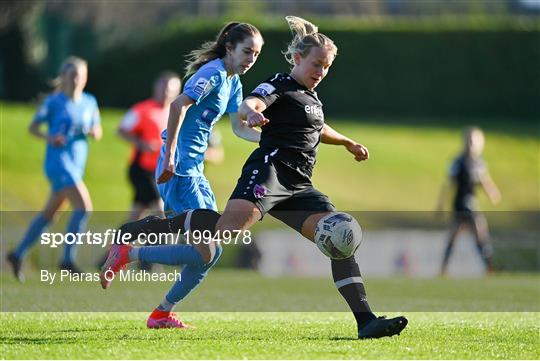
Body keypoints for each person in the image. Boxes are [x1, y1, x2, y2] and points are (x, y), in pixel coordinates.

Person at [100, 16, 407, 339]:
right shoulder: (278, 85)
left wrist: (346, 142)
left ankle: (366, 321)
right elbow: (252, 102)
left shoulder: (312, 99)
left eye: (327, 67)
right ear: (298, 59)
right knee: (222, 233)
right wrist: (251, 114)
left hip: (299, 186)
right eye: (316, 64)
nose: (321, 72)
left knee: (340, 240)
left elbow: (317, 129)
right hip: (269, 173)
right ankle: (141, 233)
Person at [101, 22, 264, 328]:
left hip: (195, 171)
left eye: (256, 54)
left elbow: (239, 128)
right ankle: (130, 249)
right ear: (230, 47)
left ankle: (162, 311)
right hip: (181, 168)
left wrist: (269, 138)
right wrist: (171, 154)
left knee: (210, 252)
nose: (250, 59)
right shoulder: (213, 72)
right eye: (247, 52)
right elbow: (178, 105)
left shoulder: (233, 82)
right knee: (207, 246)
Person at [7, 56, 102, 282]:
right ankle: (67, 260)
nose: (77, 79)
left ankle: (17, 254)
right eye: (73, 75)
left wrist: (92, 132)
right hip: (58, 163)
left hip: (76, 164)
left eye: (81, 75)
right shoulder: (54, 102)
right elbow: (32, 128)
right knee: (84, 207)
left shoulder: (90, 102)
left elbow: (97, 131)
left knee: (50, 214)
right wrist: (49, 137)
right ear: (65, 77)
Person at [436, 126, 501, 276]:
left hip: (471, 204)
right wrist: (440, 203)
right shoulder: (458, 162)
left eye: (474, 142)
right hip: (460, 204)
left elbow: (484, 180)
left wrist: (492, 192)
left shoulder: (478, 163)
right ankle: (444, 268)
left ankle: (488, 266)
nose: (471, 144)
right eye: (469, 141)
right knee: (457, 234)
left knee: (480, 232)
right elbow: (448, 184)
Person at [118, 71, 182, 221]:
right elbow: (121, 131)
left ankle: (120, 242)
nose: (166, 92)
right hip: (142, 170)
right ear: (156, 88)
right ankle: (163, 243)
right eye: (163, 87)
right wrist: (142, 144)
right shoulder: (142, 109)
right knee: (161, 210)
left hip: (162, 171)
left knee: (137, 211)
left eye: (170, 89)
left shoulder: (175, 112)